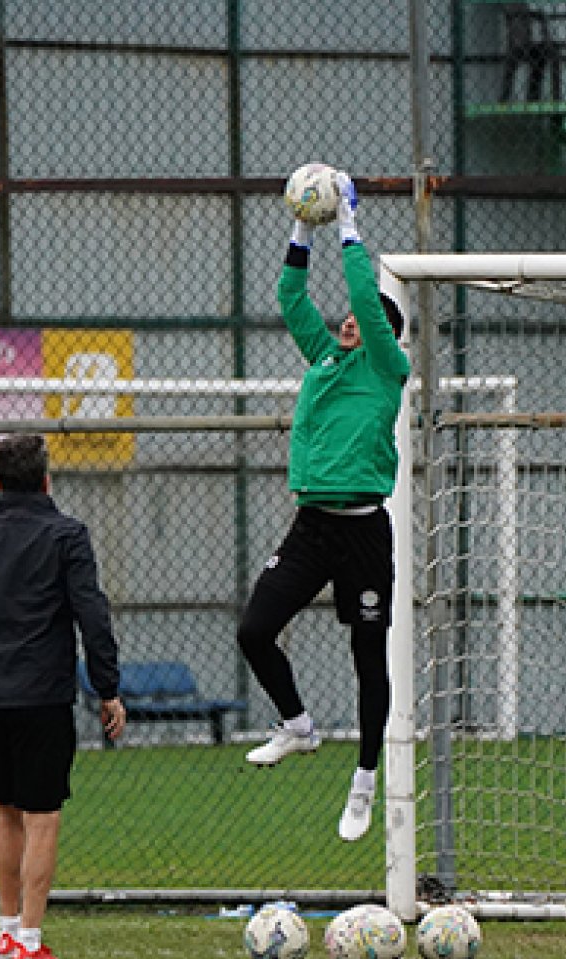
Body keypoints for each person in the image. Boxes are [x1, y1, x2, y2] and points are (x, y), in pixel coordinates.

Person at [237, 168, 410, 843]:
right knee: (255, 630)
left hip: (363, 532)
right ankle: (298, 725)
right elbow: (290, 296)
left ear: (385, 334)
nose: (349, 319)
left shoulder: (387, 369)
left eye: (363, 318)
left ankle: (364, 780)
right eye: (347, 317)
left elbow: (366, 297)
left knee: (368, 658)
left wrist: (348, 226)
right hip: (312, 528)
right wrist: (301, 228)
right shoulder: (324, 359)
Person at [0, 433, 125, 959]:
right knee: (42, 817)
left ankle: (8, 932)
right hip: (41, 696)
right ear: (46, 480)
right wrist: (107, 687)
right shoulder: (67, 536)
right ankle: (30, 941)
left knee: (7, 814)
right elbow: (92, 614)